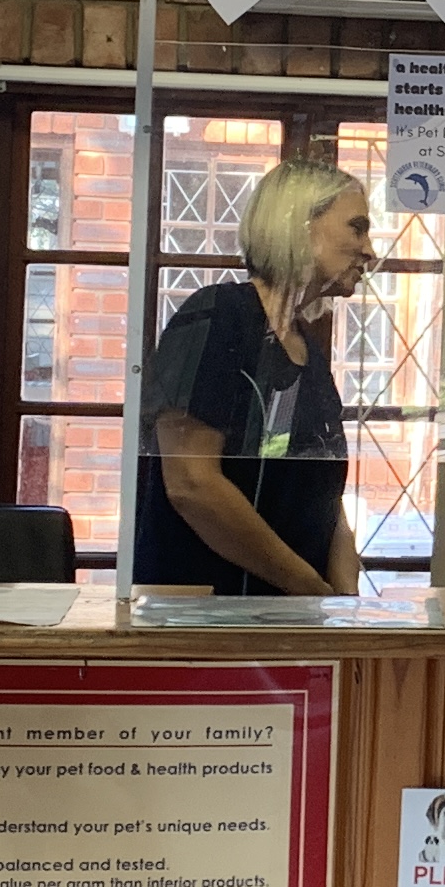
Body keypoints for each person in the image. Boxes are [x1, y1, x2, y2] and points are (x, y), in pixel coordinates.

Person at [133, 161, 374, 595]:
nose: (369, 250)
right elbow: (192, 484)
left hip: (291, 617)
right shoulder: (216, 317)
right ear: (299, 227)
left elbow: (324, 495)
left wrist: (344, 608)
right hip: (207, 625)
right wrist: (311, 591)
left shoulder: (306, 348)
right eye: (357, 228)